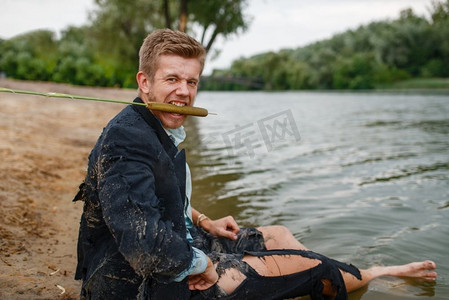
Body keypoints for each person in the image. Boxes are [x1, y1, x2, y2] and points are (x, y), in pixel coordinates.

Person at [73, 29, 437, 300]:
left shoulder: (153, 126)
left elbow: (153, 194)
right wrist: (204, 265)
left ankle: (319, 280)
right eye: (172, 79)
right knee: (317, 268)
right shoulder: (128, 138)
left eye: (191, 81)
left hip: (180, 241)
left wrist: (202, 220)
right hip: (142, 285)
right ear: (144, 82)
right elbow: (142, 241)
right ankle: (373, 273)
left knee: (277, 235)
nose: (184, 92)